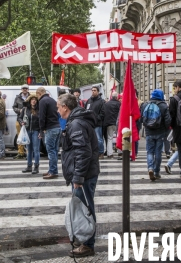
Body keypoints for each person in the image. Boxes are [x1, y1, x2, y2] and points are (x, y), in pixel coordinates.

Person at [57, 93, 99, 258]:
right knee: (84, 208)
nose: (58, 110)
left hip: (84, 175)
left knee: (85, 209)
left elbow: (83, 152)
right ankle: (85, 241)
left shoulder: (76, 124)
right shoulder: (76, 122)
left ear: (65, 107)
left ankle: (88, 244)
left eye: (58, 107)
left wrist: (78, 178)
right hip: (84, 173)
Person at [141, 89, 171, 181]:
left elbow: (142, 118)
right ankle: (157, 172)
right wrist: (166, 130)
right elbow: (167, 120)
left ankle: (150, 168)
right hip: (160, 132)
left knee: (150, 151)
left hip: (149, 132)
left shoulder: (146, 104)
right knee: (158, 153)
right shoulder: (163, 105)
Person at [37, 87, 61, 179]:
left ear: (39, 93)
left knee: (51, 151)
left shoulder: (43, 101)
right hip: (57, 127)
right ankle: (52, 170)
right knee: (54, 151)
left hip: (50, 128)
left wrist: (41, 129)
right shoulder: (52, 100)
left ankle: (53, 171)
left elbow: (41, 116)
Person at [21, 94, 41, 174]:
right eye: (32, 99)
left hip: (36, 131)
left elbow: (41, 120)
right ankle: (29, 166)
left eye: (35, 100)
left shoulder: (39, 109)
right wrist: (21, 122)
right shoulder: (25, 109)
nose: (34, 101)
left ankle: (36, 167)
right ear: (29, 101)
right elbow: (19, 117)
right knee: (29, 150)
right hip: (27, 131)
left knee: (36, 149)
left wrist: (41, 131)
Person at [85, 86, 105, 158]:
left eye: (95, 90)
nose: (93, 91)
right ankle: (93, 152)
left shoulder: (101, 101)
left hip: (97, 123)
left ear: (98, 92)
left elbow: (102, 113)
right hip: (89, 123)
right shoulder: (89, 101)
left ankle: (101, 152)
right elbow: (85, 110)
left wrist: (96, 118)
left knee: (98, 139)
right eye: (92, 90)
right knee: (90, 139)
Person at [13, 84, 30, 159]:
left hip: (28, 119)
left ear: (28, 89)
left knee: (28, 135)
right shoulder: (17, 97)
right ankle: (20, 152)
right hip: (19, 118)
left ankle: (28, 152)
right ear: (21, 89)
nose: (25, 89)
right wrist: (19, 111)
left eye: (26, 88)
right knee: (19, 136)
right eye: (23, 88)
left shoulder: (30, 97)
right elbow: (14, 107)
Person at [102, 92, 121, 159]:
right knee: (119, 137)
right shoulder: (119, 104)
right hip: (117, 123)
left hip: (109, 123)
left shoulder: (107, 104)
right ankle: (120, 152)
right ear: (116, 97)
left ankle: (110, 153)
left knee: (109, 138)